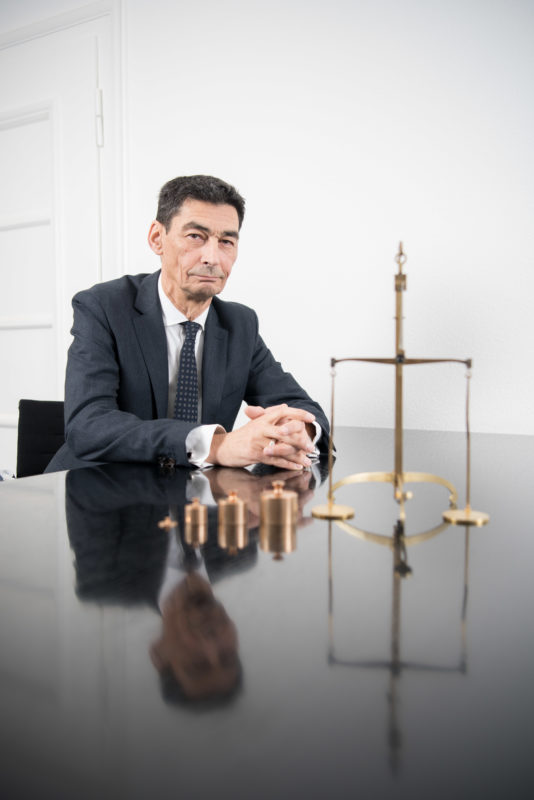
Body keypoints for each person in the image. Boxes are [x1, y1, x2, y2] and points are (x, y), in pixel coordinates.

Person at [46, 175, 328, 473]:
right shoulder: (103, 307)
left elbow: (300, 404)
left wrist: (299, 431)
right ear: (157, 238)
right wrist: (217, 445)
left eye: (226, 242)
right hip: (100, 491)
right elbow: (88, 425)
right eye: (196, 236)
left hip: (194, 499)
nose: (212, 257)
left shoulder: (240, 323)